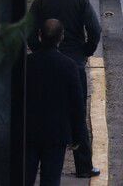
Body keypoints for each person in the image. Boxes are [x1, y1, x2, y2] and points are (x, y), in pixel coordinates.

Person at [27, 0, 101, 179]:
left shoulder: (40, 2)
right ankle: (83, 165)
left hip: (45, 64)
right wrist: (86, 51)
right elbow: (94, 30)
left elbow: (29, 32)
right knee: (78, 112)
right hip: (75, 62)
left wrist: (40, 51)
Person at [25, 19, 89, 186]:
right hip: (56, 134)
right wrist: (78, 137)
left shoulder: (26, 64)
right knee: (51, 179)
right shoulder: (69, 66)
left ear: (39, 36)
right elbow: (77, 105)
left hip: (28, 132)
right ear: (61, 37)